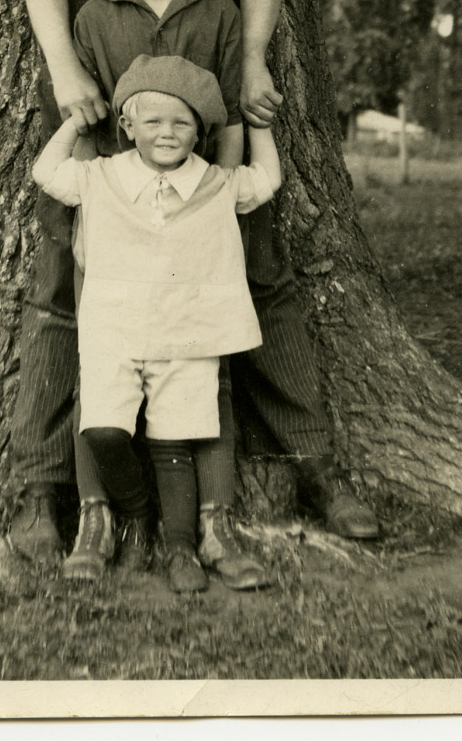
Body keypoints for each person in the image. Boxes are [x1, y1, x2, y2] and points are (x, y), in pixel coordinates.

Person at [9, 0, 377, 565]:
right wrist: (67, 75)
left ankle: (315, 463)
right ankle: (43, 487)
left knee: (257, 263)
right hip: (102, 75)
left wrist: (249, 60)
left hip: (209, 80)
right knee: (64, 279)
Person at [62, 0, 267, 587]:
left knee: (200, 364)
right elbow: (80, 130)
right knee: (103, 355)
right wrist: (92, 220)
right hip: (117, 214)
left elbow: (236, 117)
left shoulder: (216, 8)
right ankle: (99, 516)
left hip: (196, 216)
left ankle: (211, 526)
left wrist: (226, 200)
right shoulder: (94, 14)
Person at [33, 55, 282, 594]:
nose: (167, 133)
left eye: (182, 122)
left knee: (175, 443)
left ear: (201, 130)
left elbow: (267, 180)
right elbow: (46, 173)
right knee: (101, 428)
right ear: (126, 126)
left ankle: (179, 548)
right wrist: (76, 120)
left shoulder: (214, 184)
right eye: (152, 121)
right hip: (113, 334)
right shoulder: (100, 177)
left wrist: (258, 123)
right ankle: (135, 513)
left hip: (185, 337)